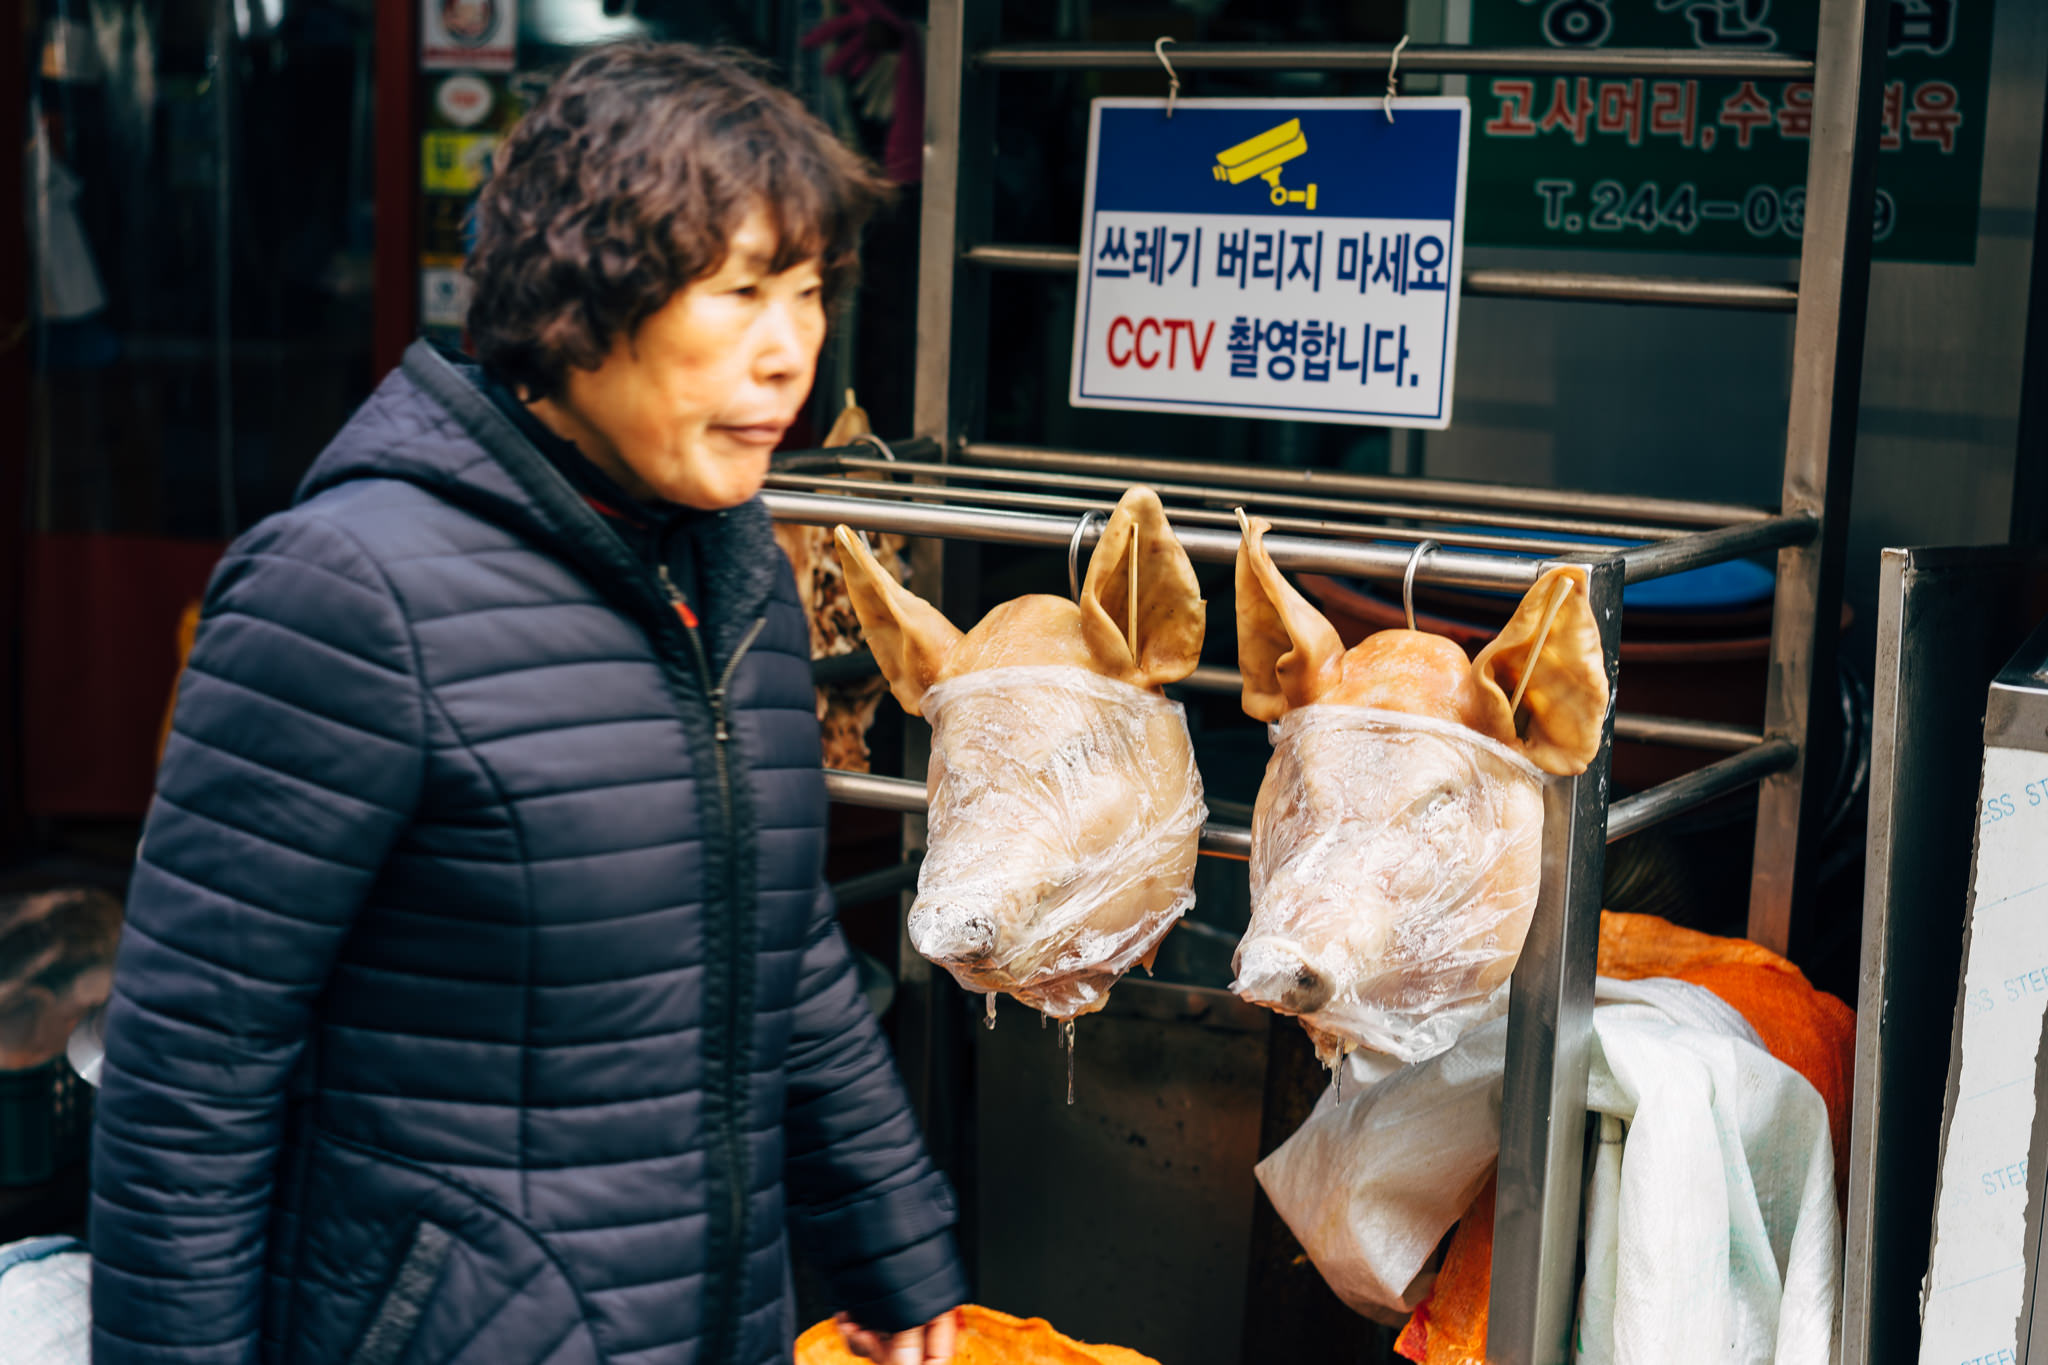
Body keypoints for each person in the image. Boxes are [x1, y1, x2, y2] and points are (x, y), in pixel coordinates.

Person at [89, 43, 967, 1365]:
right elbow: (190, 1075)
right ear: (578, 299)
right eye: (737, 293)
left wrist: (893, 1244)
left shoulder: (733, 568)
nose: (791, 351)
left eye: (805, 290)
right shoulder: (348, 588)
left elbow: (782, 947)